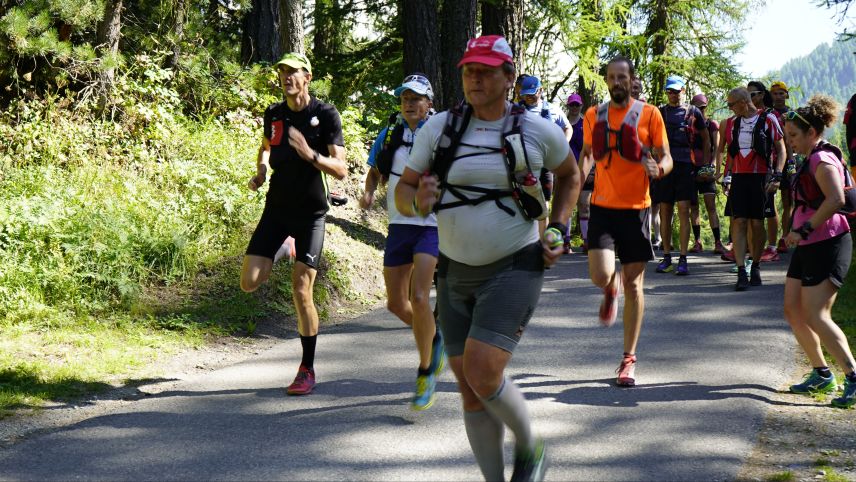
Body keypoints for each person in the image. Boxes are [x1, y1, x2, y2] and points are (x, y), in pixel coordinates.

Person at [396, 35, 580, 482]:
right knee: (469, 389)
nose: (474, 78)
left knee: (482, 370)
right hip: (453, 270)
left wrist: (558, 227)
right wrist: (418, 201)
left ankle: (531, 446)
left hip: (515, 264)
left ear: (509, 76)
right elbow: (403, 191)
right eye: (468, 70)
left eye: (485, 70)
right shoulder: (440, 129)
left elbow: (570, 175)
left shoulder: (535, 129)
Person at [241, 52, 348, 396]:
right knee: (249, 282)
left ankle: (307, 368)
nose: (286, 77)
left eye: (293, 72)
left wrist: (310, 155)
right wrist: (261, 170)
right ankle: (285, 245)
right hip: (277, 209)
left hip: (312, 213)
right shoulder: (274, 113)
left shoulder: (325, 114)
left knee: (302, 290)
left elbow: (341, 169)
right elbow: (265, 147)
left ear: (307, 77)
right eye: (282, 72)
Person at [580, 56, 673, 387]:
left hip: (636, 210)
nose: (616, 82)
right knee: (600, 275)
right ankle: (610, 287)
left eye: (622, 77)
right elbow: (587, 154)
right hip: (603, 207)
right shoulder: (594, 115)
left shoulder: (650, 114)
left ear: (632, 80)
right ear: (606, 81)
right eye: (611, 77)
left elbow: (666, 156)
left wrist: (659, 169)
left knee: (634, 285)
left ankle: (628, 359)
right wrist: (576, 183)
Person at [360, 73, 446, 411]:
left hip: (431, 225)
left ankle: (425, 372)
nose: (409, 103)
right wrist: (369, 193)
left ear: (428, 103)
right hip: (398, 225)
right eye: (404, 98)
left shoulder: (439, 134)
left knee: (420, 297)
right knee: (396, 304)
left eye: (416, 98)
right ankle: (433, 337)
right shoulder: (390, 133)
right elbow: (374, 171)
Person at [782, 94, 855, 409]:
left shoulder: (822, 159)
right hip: (808, 244)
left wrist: (805, 229)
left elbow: (836, 199)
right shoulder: (810, 155)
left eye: (794, 136)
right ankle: (822, 374)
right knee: (793, 308)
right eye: (788, 136)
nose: (790, 142)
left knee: (816, 313)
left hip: (828, 242)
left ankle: (853, 376)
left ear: (812, 132)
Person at [715, 87, 786, 291]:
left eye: (731, 104)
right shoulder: (732, 123)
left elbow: (781, 149)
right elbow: (731, 152)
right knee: (739, 221)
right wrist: (727, 176)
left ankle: (755, 265)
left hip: (761, 177)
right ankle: (741, 271)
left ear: (743, 103)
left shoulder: (768, 119)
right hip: (739, 177)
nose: (729, 108)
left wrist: (778, 175)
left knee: (757, 223)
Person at [654, 76, 710, 276]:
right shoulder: (660, 112)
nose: (673, 95)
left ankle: (683, 258)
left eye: (676, 91)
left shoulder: (694, 112)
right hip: (665, 166)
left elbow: (706, 139)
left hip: (686, 165)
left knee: (684, 210)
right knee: (665, 211)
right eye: (669, 91)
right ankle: (667, 256)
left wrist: (705, 165)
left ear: (683, 91)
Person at [748, 81, 783, 262]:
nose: (749, 98)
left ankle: (772, 247)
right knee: (751, 213)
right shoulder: (747, 115)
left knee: (769, 208)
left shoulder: (772, 114)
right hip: (749, 170)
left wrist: (780, 171)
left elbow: (783, 143)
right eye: (747, 95)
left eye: (752, 94)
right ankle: (752, 250)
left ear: (762, 95)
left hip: (769, 167)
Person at [689, 93, 725, 254]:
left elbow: (717, 147)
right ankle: (697, 241)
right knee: (693, 206)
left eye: (702, 108)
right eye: (697, 108)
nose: (700, 110)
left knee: (711, 205)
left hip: (707, 168)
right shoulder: (689, 126)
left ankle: (718, 242)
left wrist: (712, 167)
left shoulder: (712, 124)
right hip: (691, 168)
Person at [566, 93, 587, 253]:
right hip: (565, 170)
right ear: (568, 106)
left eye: (577, 105)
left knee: (584, 205)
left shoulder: (585, 123)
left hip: (583, 170)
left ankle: (587, 241)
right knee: (567, 205)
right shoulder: (562, 123)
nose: (574, 108)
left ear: (581, 106)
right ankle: (565, 241)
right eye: (572, 105)